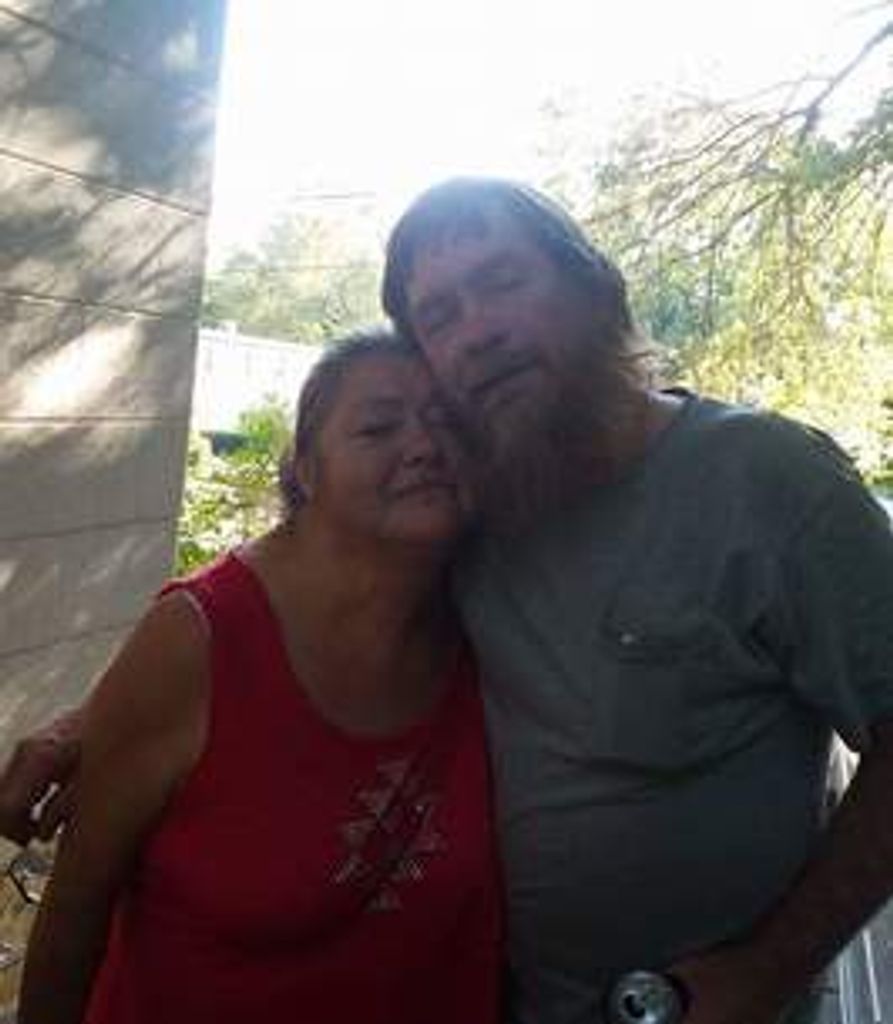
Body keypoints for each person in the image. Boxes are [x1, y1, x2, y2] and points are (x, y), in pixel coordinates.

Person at [5, 177, 893, 1024]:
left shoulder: (766, 480)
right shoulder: (488, 501)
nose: (476, 332)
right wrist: (97, 725)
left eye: (502, 282)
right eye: (439, 315)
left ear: (597, 289)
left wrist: (769, 967)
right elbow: (298, 595)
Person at [16, 328, 503, 1024]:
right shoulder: (199, 638)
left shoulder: (497, 615)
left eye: (448, 421)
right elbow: (75, 907)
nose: (425, 445)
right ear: (304, 468)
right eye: (377, 427)